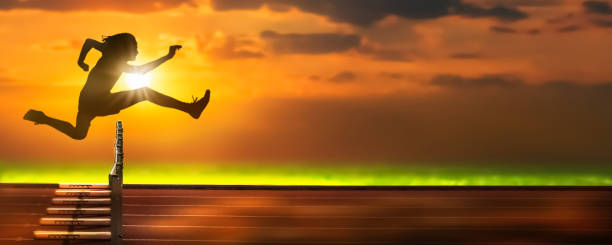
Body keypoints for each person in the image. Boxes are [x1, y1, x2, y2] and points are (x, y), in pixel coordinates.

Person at [23, 33, 210, 140]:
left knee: (79, 134)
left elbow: (89, 42)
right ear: (126, 49)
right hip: (98, 101)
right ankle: (189, 108)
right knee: (144, 93)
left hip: (87, 100)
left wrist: (81, 62)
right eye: (135, 47)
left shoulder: (110, 54)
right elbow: (141, 70)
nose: (138, 51)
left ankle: (43, 118)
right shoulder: (116, 60)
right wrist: (167, 57)